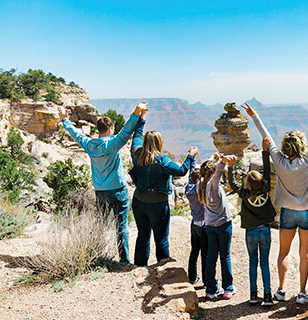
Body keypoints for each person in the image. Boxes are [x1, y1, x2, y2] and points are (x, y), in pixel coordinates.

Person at [241, 97, 308, 305]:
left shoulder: (279, 161)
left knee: (283, 253)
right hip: (307, 213)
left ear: (285, 148)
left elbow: (266, 137)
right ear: (302, 146)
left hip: (287, 212)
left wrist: (254, 117)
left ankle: (280, 289)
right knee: (304, 254)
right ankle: (303, 292)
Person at [58, 103, 147, 263]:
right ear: (110, 128)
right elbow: (127, 130)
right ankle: (124, 259)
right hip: (118, 190)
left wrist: (64, 120)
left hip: (100, 191)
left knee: (100, 224)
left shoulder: (89, 145)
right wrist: (137, 111)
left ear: (98, 129)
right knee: (121, 226)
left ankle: (95, 255)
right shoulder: (113, 144)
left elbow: (76, 134)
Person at [129, 107, 197, 266]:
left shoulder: (137, 154)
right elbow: (181, 171)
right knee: (161, 239)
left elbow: (137, 134)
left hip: (139, 202)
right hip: (158, 205)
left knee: (143, 235)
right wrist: (190, 156)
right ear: (159, 143)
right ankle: (164, 268)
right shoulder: (162, 161)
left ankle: (139, 265)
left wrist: (142, 118)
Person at [227, 137, 277, 306]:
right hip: (265, 231)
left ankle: (254, 295)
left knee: (252, 263)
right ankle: (268, 296)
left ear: (247, 184)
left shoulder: (245, 194)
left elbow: (233, 184)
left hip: (251, 232)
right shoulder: (266, 188)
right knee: (264, 263)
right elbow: (268, 167)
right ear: (261, 181)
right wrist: (265, 150)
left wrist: (231, 168)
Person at [200, 153, 237, 300]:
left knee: (211, 256)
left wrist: (212, 158)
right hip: (222, 224)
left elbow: (204, 169)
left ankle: (211, 289)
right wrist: (223, 160)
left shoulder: (201, 183)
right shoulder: (213, 184)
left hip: (209, 225)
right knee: (225, 255)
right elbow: (218, 172)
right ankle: (228, 288)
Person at [185, 168, 207, 287]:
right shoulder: (200, 190)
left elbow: (191, 178)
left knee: (194, 251)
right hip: (203, 225)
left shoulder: (188, 189)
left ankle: (192, 277)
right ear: (199, 180)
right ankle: (206, 280)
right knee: (205, 254)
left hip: (194, 224)